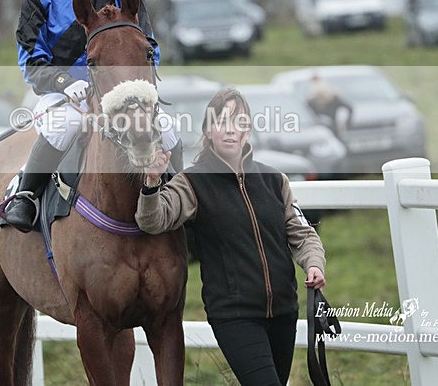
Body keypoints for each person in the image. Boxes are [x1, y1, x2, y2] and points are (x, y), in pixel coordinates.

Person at [3, 0, 181, 232]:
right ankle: (26, 195)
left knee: (169, 132)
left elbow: (149, 46)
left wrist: (133, 86)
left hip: (122, 90)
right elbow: (29, 57)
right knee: (62, 126)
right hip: (64, 92)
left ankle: (184, 200)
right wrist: (63, 84)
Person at [135, 87, 326, 386]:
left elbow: (301, 233)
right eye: (221, 122)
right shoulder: (191, 183)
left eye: (238, 122)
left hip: (285, 311)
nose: (229, 130)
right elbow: (153, 220)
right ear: (208, 131)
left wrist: (314, 264)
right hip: (234, 316)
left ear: (247, 130)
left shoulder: (275, 179)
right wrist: (151, 183)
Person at [306, 72, 353, 138]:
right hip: (319, 131)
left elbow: (349, 108)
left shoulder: (332, 98)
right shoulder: (311, 101)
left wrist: (346, 124)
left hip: (331, 130)